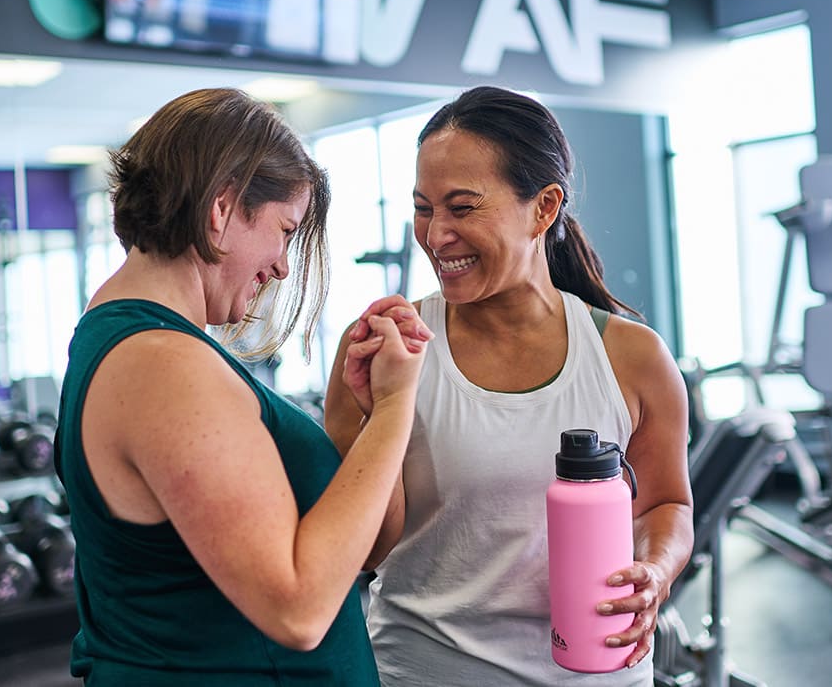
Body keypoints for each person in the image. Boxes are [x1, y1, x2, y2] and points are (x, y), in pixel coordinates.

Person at [54, 87, 433, 685]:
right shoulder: (163, 366)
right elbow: (300, 608)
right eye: (284, 229)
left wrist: (358, 416)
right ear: (221, 208)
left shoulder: (140, 344)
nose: (283, 264)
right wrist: (395, 407)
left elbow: (357, 554)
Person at [324, 86, 694, 686]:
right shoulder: (388, 349)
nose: (436, 234)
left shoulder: (631, 356)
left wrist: (655, 569)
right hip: (426, 673)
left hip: (601, 672)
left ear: (544, 207)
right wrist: (370, 415)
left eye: (462, 208)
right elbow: (367, 551)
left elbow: (666, 503)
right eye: (423, 208)